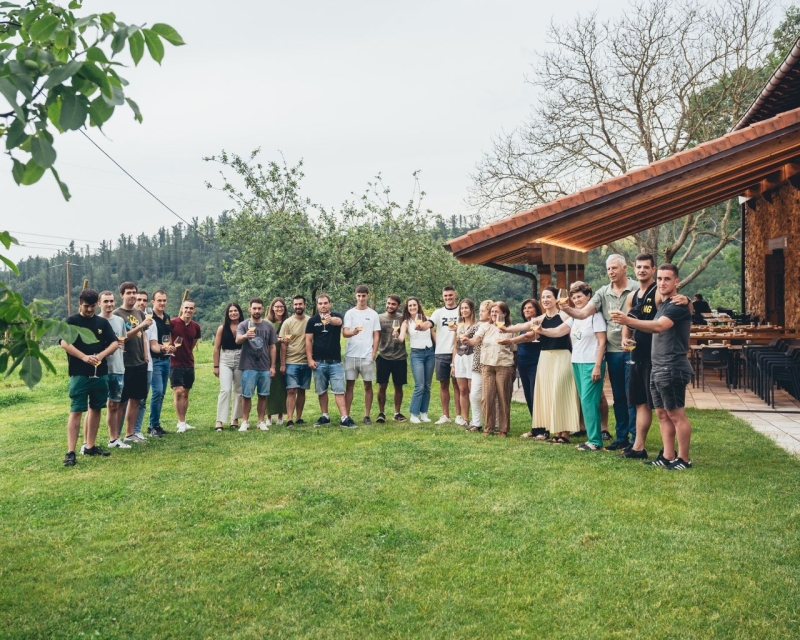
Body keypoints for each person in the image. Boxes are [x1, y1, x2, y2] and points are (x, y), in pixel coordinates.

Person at [612, 264, 694, 470]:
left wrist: (627, 320)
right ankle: (667, 456)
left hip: (672, 366)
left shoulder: (677, 305)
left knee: (676, 415)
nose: (662, 283)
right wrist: (627, 329)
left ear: (677, 281)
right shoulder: (663, 305)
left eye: (667, 279)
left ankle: (683, 459)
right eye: (659, 279)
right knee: (662, 414)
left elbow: (658, 327)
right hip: (657, 366)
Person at [508, 286, 579, 443]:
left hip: (562, 356)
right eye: (543, 297)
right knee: (550, 394)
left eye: (549, 297)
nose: (546, 300)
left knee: (561, 393)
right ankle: (557, 433)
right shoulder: (540, 319)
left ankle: (565, 433)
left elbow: (563, 330)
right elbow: (522, 327)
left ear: (555, 299)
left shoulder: (565, 315)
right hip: (545, 358)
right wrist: (505, 328)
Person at [60, 289, 119, 466]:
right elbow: (64, 343)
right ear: (80, 303)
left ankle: (90, 446)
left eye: (93, 306)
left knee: (96, 408)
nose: (90, 310)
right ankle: (70, 451)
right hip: (79, 373)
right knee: (76, 410)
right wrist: (84, 357)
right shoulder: (71, 321)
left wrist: (100, 356)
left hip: (100, 373)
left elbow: (115, 342)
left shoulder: (101, 322)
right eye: (87, 306)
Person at [619, 253, 658, 459]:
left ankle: (670, 451)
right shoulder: (632, 296)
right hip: (638, 354)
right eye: (639, 267)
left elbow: (676, 310)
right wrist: (626, 338)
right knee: (639, 402)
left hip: (656, 355)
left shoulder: (659, 292)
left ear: (654, 269)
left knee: (660, 406)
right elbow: (627, 323)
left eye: (646, 267)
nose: (642, 270)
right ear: (634, 269)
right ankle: (638, 447)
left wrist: (685, 299)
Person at [566, 282, 607, 451]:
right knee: (585, 401)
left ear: (588, 296)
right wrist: (541, 330)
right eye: (574, 297)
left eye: (579, 296)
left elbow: (602, 342)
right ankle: (592, 438)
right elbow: (558, 330)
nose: (576, 300)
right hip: (577, 361)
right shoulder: (575, 316)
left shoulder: (595, 315)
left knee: (589, 401)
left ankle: (595, 442)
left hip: (592, 362)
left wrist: (598, 366)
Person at [465, 301, 517, 436]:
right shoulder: (485, 326)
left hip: (504, 366)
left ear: (504, 313)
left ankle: (503, 429)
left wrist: (513, 370)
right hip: (487, 365)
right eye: (492, 311)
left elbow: (514, 350)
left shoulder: (511, 329)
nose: (494, 314)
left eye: (497, 311)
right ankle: (489, 428)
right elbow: (476, 340)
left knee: (503, 398)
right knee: (487, 398)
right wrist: (468, 341)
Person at [305, 294, 353, 427]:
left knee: (339, 390)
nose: (323, 306)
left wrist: (330, 320)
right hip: (319, 362)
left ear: (330, 304)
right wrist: (310, 359)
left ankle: (344, 418)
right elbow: (308, 340)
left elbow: (338, 322)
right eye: (320, 303)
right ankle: (325, 416)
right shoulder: (312, 321)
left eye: (325, 303)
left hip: (335, 362)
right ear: (317, 305)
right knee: (321, 390)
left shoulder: (336, 316)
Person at [113, 281, 152, 446]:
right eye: (128, 293)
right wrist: (141, 326)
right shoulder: (116, 314)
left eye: (134, 292)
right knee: (121, 402)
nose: (132, 295)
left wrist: (145, 354)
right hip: (124, 363)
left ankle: (130, 434)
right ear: (122, 295)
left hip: (139, 362)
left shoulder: (139, 313)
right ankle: (115, 437)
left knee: (136, 399)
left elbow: (142, 335)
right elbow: (120, 338)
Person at [236, 298, 278, 431]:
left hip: (264, 366)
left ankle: (261, 421)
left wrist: (272, 366)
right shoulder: (243, 325)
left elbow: (272, 347)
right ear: (249, 309)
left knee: (263, 395)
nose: (257, 311)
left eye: (259, 308)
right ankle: (245, 422)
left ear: (263, 309)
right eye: (254, 308)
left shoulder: (268, 326)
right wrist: (245, 336)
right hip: (248, 366)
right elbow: (237, 340)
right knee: (247, 395)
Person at [342, 285, 381, 424]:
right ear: (355, 296)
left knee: (367, 385)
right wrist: (353, 332)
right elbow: (344, 333)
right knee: (349, 385)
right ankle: (346, 415)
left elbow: (376, 335)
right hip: (351, 355)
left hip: (367, 355)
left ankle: (367, 415)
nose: (361, 298)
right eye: (359, 295)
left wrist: (374, 353)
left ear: (367, 296)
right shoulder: (349, 313)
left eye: (363, 296)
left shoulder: (373, 314)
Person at [96, 290, 129, 451]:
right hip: (99, 370)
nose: (109, 304)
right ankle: (89, 442)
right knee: (94, 406)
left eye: (111, 301)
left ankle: (113, 438)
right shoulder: (95, 321)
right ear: (99, 303)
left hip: (117, 368)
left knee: (115, 405)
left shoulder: (119, 321)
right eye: (106, 301)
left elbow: (122, 342)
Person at [396, 296, 434, 424]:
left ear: (418, 306)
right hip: (416, 354)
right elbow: (401, 338)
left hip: (429, 353)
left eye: (414, 305)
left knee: (428, 386)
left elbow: (434, 336)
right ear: (407, 308)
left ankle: (424, 413)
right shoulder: (406, 322)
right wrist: (396, 336)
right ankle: (414, 414)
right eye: (410, 305)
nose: (412, 307)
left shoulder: (427, 319)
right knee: (420, 385)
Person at [428, 285, 461, 424]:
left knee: (457, 384)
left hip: (458, 352)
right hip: (441, 351)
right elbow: (429, 323)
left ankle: (459, 415)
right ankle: (445, 415)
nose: (448, 298)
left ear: (455, 295)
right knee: (443, 384)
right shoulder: (438, 312)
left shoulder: (461, 310)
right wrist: (421, 325)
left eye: (450, 295)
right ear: (443, 297)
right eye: (445, 296)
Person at [280, 295, 311, 428]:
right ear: (293, 306)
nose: (298, 307)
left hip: (306, 361)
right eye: (296, 304)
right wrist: (282, 364)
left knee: (302, 390)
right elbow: (283, 344)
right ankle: (290, 419)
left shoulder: (310, 321)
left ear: (305, 305)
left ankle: (299, 417)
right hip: (291, 361)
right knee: (291, 390)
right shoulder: (288, 323)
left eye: (300, 304)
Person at [169, 299, 201, 433]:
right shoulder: (172, 323)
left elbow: (192, 344)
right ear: (182, 308)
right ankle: (181, 422)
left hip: (189, 362)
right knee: (178, 391)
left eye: (191, 308)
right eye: (186, 308)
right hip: (174, 362)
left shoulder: (196, 327)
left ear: (194, 310)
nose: (188, 310)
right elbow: (166, 338)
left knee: (186, 393)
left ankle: (183, 421)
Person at [375, 294, 407, 423]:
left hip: (399, 357)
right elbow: (375, 335)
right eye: (388, 303)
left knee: (398, 386)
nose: (390, 306)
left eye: (393, 304)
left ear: (398, 306)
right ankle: (381, 413)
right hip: (383, 356)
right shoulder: (379, 318)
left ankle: (397, 413)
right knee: (382, 385)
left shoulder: (402, 318)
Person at [213, 303, 244, 431]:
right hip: (225, 358)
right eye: (230, 311)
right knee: (225, 389)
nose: (233, 313)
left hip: (240, 358)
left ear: (239, 312)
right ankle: (219, 420)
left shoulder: (245, 326)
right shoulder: (222, 328)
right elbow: (216, 348)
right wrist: (216, 366)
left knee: (238, 389)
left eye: (235, 310)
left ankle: (235, 419)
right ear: (227, 313)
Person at [146, 289, 171, 437]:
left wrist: (170, 347)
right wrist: (163, 348)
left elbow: (168, 337)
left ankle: (156, 424)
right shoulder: (149, 317)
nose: (162, 303)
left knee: (162, 394)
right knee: (157, 392)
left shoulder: (167, 317)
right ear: (153, 302)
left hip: (166, 359)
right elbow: (151, 343)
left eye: (164, 300)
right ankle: (152, 426)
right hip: (154, 360)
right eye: (159, 300)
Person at [467, 300, 492, 432]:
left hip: (492, 363)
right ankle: (477, 423)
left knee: (493, 396)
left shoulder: (496, 325)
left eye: (483, 311)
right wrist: (462, 335)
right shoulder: (478, 326)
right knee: (475, 395)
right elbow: (466, 333)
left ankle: (495, 423)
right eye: (480, 311)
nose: (480, 313)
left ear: (490, 313)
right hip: (478, 364)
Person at [451, 298, 477, 427]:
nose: (464, 310)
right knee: (462, 389)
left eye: (466, 308)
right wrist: (453, 364)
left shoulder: (477, 325)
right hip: (459, 358)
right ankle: (466, 418)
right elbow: (455, 345)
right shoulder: (458, 326)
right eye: (462, 308)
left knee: (473, 390)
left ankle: (476, 419)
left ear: (471, 309)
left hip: (472, 357)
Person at [516, 298, 543, 416]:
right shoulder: (524, 327)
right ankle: (534, 426)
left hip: (535, 364)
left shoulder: (539, 324)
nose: (526, 310)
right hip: (522, 365)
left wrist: (510, 340)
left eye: (530, 307)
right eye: (525, 308)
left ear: (537, 310)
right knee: (528, 395)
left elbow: (527, 338)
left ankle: (542, 429)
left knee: (535, 395)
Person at [267, 297, 289, 425]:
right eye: (277, 306)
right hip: (270, 358)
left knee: (282, 388)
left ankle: (281, 416)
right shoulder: (267, 323)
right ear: (272, 308)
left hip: (285, 356)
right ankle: (268, 416)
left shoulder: (288, 322)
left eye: (282, 306)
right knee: (269, 387)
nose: (279, 309)